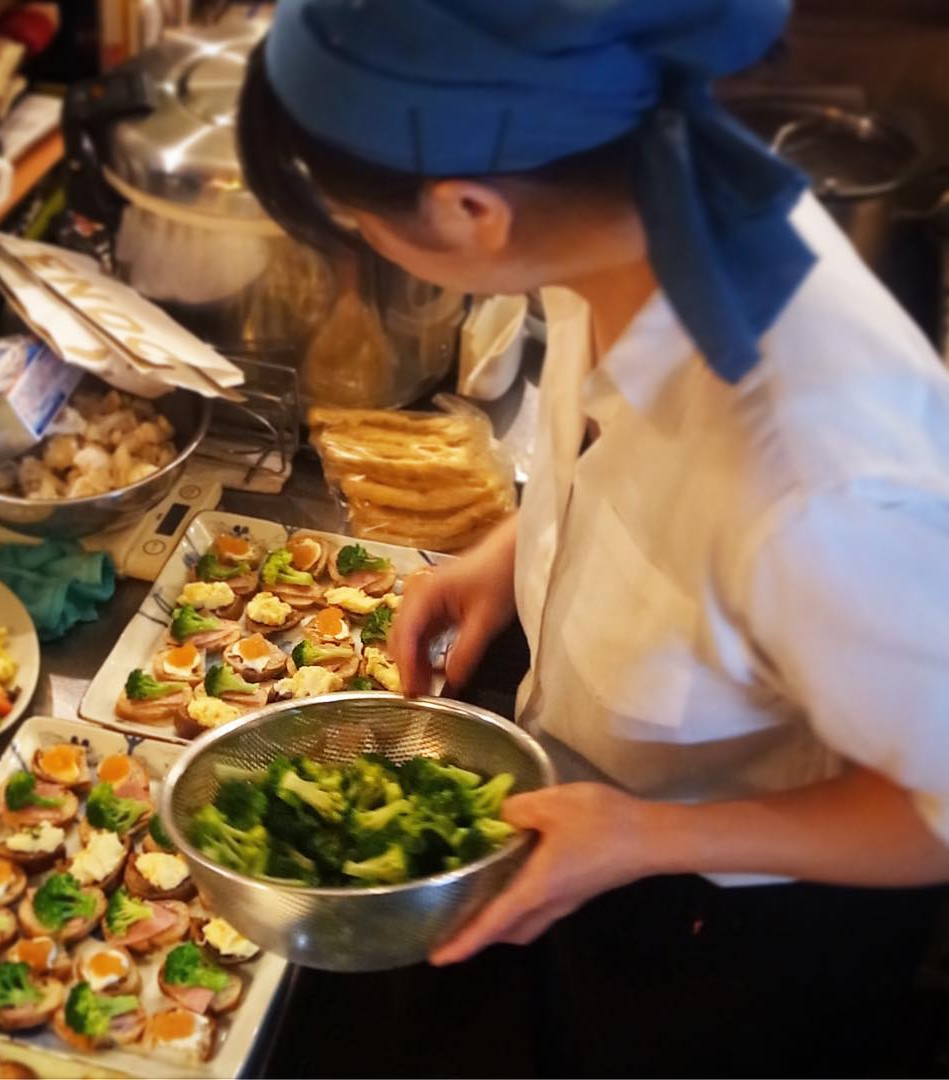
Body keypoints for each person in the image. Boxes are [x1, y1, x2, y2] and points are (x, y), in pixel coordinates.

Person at [236, 0, 949, 1071]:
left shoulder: (820, 481)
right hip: (599, 838)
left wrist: (655, 837)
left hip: (729, 933)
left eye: (358, 226)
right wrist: (512, 548)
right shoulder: (615, 218)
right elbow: (636, 475)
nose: (360, 250)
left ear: (472, 209)